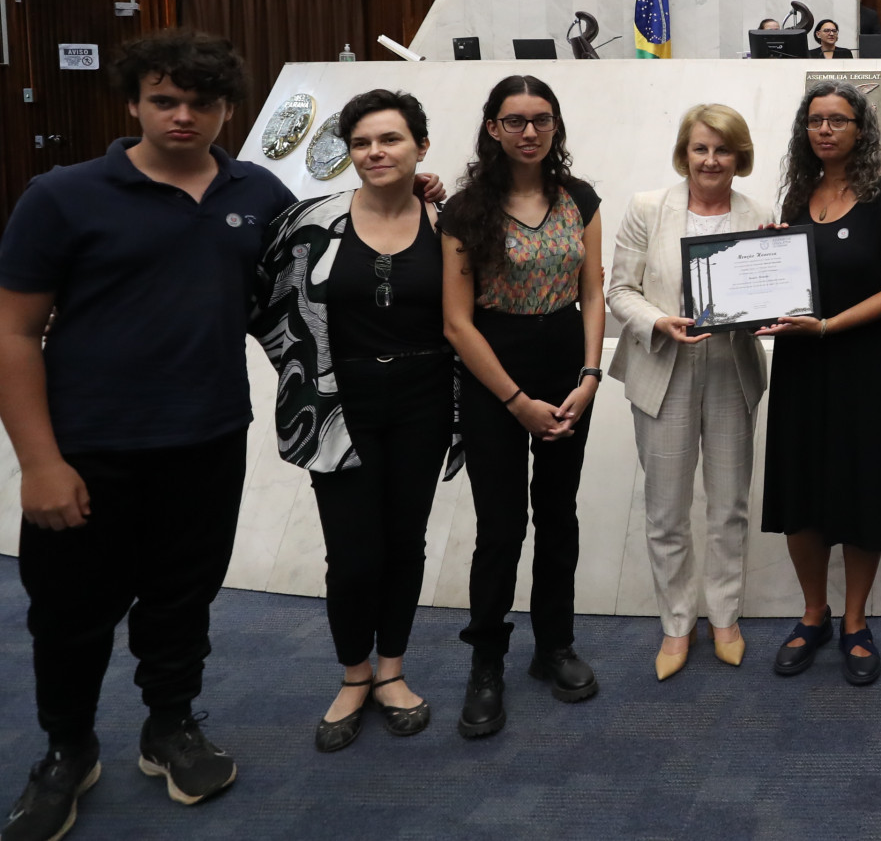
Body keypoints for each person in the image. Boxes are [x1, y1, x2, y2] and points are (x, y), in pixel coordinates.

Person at [0, 32, 290, 833]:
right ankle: (67, 748)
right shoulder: (62, 195)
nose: (183, 115)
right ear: (133, 103)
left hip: (207, 442)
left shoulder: (258, 192)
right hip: (87, 450)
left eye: (202, 101)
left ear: (227, 107)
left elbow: (318, 263)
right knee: (68, 614)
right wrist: (38, 461)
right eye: (165, 99)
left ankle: (170, 726)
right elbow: (14, 333)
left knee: (181, 600)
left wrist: (417, 187)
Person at [252, 89, 456, 754]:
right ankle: (353, 673)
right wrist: (299, 377)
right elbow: (267, 304)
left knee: (406, 541)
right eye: (362, 141)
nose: (375, 152)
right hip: (341, 404)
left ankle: (392, 669)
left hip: (426, 399)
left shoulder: (451, 220)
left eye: (390, 139)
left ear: (420, 146)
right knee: (353, 551)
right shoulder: (310, 221)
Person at [440, 75, 605, 738]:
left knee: (558, 514)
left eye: (541, 118)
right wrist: (514, 400)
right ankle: (486, 662)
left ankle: (553, 646)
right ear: (493, 128)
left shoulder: (581, 197)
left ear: (556, 126)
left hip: (567, 361)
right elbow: (455, 322)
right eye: (515, 119)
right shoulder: (464, 208)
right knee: (501, 524)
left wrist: (592, 373)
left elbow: (592, 291)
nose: (529, 130)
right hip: (492, 369)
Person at [759, 81, 881, 685]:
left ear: (861, 130)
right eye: (815, 121)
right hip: (804, 364)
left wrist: (826, 326)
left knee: (861, 489)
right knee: (802, 491)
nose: (825, 130)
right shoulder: (798, 195)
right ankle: (813, 613)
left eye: (838, 121)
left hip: (867, 366)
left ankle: (854, 620)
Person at [606, 104, 769, 679]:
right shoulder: (648, 208)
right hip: (664, 367)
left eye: (723, 149)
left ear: (738, 156)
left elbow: (764, 291)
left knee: (729, 506)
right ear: (685, 153)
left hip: (731, 370)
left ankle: (725, 618)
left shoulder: (758, 213)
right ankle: (677, 625)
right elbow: (619, 291)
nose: (711, 159)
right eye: (701, 148)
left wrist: (768, 313)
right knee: (666, 510)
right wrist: (658, 321)